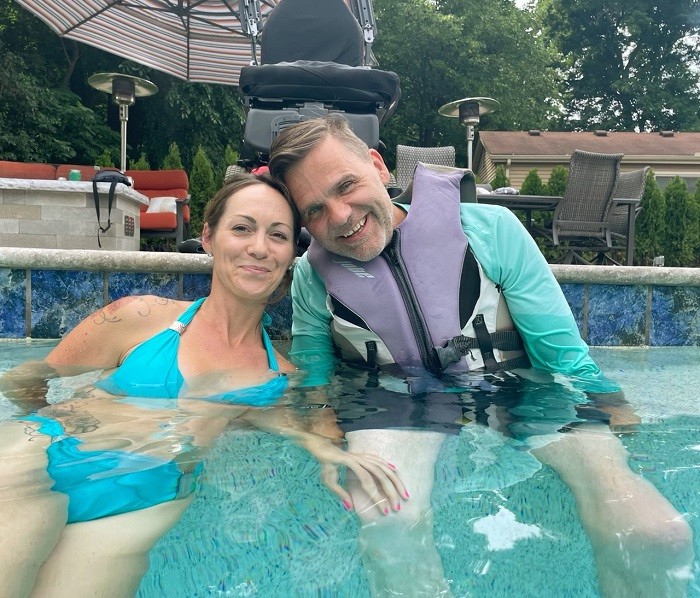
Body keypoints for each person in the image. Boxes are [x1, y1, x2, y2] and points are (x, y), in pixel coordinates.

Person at [267, 115, 694, 597]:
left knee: (658, 534)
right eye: (316, 210)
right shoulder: (312, 276)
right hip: (395, 405)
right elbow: (315, 382)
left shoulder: (492, 231)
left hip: (520, 395)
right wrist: (323, 440)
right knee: (388, 521)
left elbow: (565, 358)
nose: (341, 216)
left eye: (347, 185)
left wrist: (615, 417)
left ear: (378, 166)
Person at [0, 172, 405, 598]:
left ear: (291, 256)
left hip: (141, 501)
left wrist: (327, 449)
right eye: (242, 228)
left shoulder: (279, 376)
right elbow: (27, 380)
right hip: (40, 460)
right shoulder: (139, 317)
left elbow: (312, 420)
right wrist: (51, 422)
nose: (259, 247)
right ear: (209, 237)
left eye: (278, 235)